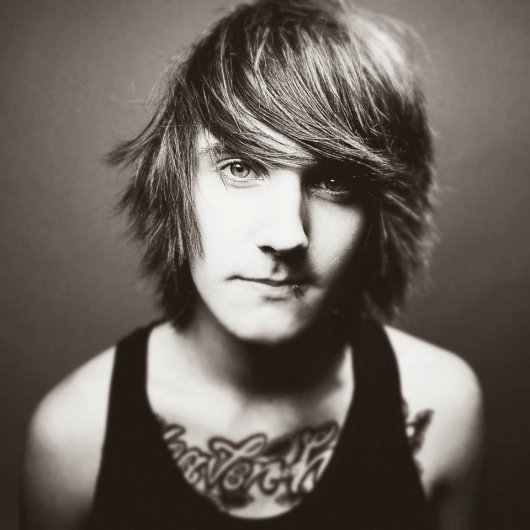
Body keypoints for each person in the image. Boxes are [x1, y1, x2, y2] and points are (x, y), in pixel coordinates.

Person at [20, 0, 484, 528]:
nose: (287, 235)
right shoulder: (75, 436)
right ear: (173, 186)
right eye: (240, 167)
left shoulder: (440, 405)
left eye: (334, 181)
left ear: (378, 212)